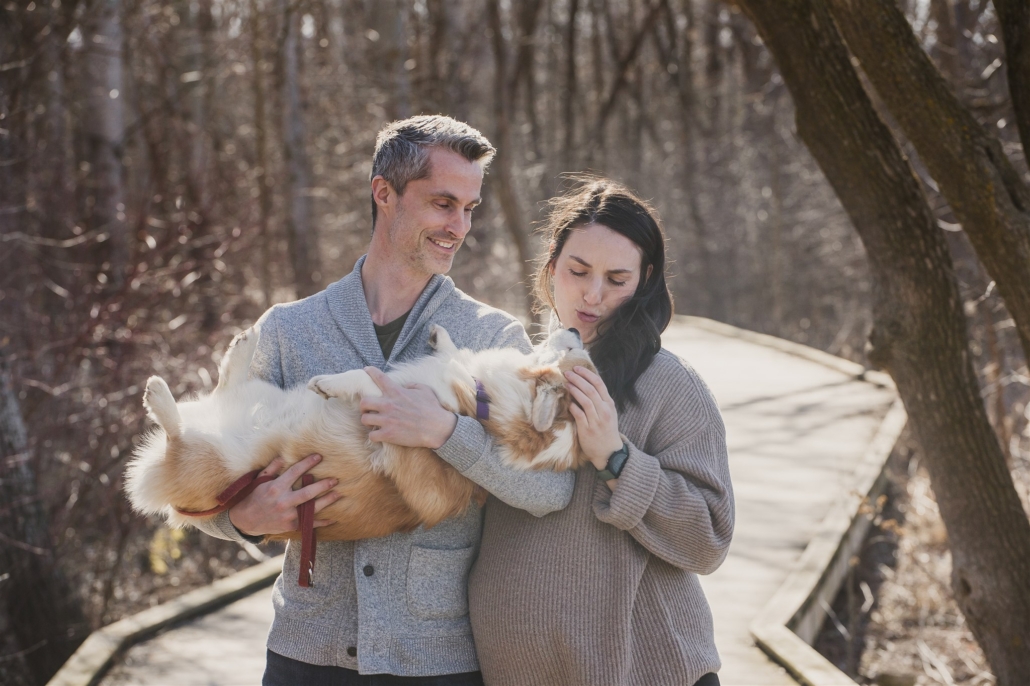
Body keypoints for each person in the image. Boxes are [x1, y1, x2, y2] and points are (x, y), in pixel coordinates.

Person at [191, 115, 575, 685]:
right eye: (443, 203)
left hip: (436, 659)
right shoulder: (289, 331)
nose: (459, 226)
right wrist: (243, 520)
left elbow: (550, 490)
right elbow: (206, 471)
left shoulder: (493, 338)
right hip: (306, 654)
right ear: (384, 193)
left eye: (469, 208)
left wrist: (447, 433)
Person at [468, 178, 735, 686]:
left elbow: (709, 540)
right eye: (578, 271)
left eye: (616, 279)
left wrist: (616, 458)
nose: (593, 294)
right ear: (551, 264)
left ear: (645, 278)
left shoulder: (670, 386)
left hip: (646, 674)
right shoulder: (514, 372)